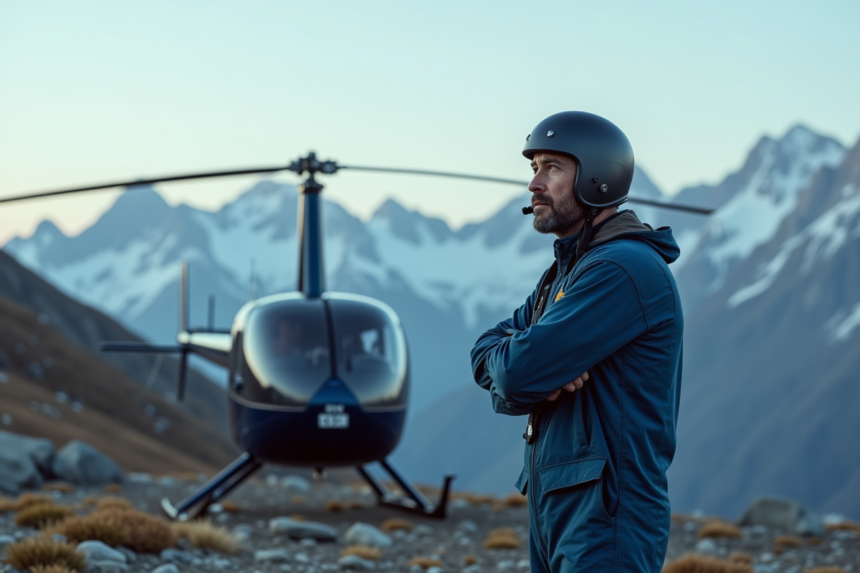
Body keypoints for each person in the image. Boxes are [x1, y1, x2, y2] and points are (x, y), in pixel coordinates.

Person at [470, 111, 684, 572]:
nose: (534, 184)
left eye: (552, 167)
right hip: (558, 505)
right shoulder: (566, 274)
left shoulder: (620, 269)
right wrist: (532, 374)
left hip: (606, 516)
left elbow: (515, 374)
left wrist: (527, 373)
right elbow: (484, 351)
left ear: (597, 178)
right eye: (534, 168)